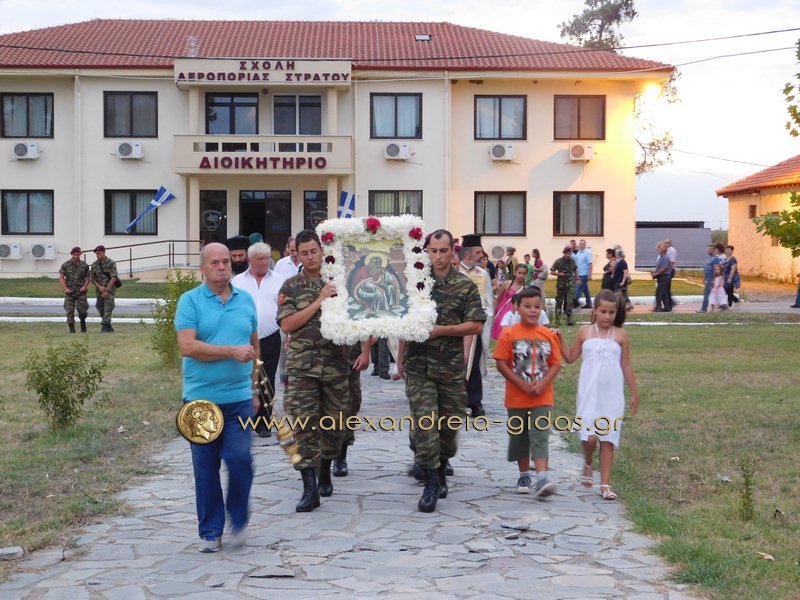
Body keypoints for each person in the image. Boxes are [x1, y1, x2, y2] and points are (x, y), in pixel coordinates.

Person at [175, 242, 259, 553]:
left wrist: (255, 389)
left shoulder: (245, 300)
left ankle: (238, 518)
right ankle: (211, 531)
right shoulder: (190, 301)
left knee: (239, 459)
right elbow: (188, 347)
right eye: (215, 263)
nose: (223, 267)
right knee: (206, 468)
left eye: (226, 262)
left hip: (238, 397)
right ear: (203, 268)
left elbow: (254, 346)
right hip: (201, 400)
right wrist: (230, 351)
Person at [397, 229, 486, 513]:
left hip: (450, 367)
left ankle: (442, 464)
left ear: (452, 252)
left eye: (443, 251)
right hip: (419, 366)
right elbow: (401, 320)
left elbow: (476, 325)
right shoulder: (416, 284)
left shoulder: (464, 286)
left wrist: (442, 331)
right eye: (433, 251)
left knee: (449, 427)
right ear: (427, 252)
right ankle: (431, 481)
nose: (437, 256)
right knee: (425, 422)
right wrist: (400, 357)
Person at [276, 229, 353, 512]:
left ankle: (325, 467)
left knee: (335, 424)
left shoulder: (340, 281)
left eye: (314, 251)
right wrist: (319, 300)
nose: (310, 257)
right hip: (302, 367)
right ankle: (309, 487)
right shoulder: (291, 286)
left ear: (322, 251)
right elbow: (288, 324)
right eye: (304, 253)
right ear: (296, 255)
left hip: (335, 365)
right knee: (303, 425)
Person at [556, 289, 639, 501]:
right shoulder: (584, 331)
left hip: (611, 394)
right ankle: (588, 461)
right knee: (590, 437)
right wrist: (559, 339)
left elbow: (626, 365)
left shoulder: (621, 335)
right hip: (589, 391)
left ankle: (605, 484)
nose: (607, 316)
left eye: (612, 312)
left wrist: (634, 393)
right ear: (594, 310)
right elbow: (570, 357)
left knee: (607, 438)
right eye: (603, 311)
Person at [493, 287, 561, 496]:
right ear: (517, 308)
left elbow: (555, 364)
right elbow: (501, 363)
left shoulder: (547, 335)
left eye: (537, 307)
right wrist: (521, 384)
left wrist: (542, 384)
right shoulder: (509, 334)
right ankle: (524, 474)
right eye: (527, 306)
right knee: (519, 436)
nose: (533, 310)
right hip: (517, 397)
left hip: (542, 396)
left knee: (540, 434)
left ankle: (541, 477)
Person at [231, 241, 287, 438]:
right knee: (243, 377)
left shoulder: (279, 280)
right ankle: (243, 419)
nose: (265, 262)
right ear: (250, 260)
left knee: (267, 378)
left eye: (267, 258)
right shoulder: (237, 281)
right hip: (243, 337)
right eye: (261, 259)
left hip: (270, 336)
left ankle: (264, 422)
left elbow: (285, 307)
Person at [458, 234, 494, 418]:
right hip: (456, 326)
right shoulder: (455, 271)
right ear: (468, 253)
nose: (482, 255)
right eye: (478, 252)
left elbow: (488, 300)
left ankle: (475, 401)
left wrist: (483, 319)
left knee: (474, 362)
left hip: (476, 325)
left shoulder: (483, 274)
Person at [492, 264, 528, 340]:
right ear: (515, 272)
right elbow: (498, 300)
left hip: (517, 316)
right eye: (519, 273)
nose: (521, 275)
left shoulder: (526, 289)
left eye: (524, 273)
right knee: (502, 339)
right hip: (503, 315)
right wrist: (494, 315)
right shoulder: (506, 284)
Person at [59, 246, 90, 333]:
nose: (76, 256)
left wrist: (85, 286)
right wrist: (65, 288)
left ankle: (83, 325)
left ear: (80, 254)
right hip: (70, 292)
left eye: (78, 255)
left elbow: (88, 277)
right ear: (71, 254)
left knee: (83, 310)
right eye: (74, 255)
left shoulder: (84, 265)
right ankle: (71, 329)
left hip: (81, 292)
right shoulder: (66, 265)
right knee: (69, 311)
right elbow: (61, 277)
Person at [90, 245, 118, 333]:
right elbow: (93, 279)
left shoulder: (111, 263)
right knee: (99, 306)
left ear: (103, 252)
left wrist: (107, 290)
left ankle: (105, 326)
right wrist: (99, 287)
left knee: (108, 307)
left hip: (109, 289)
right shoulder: (94, 265)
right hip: (100, 289)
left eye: (99, 253)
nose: (97, 255)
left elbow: (114, 277)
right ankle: (108, 325)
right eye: (96, 253)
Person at [550, 246, 578, 326]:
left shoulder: (572, 261)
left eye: (569, 253)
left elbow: (575, 269)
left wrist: (576, 279)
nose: (568, 255)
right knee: (559, 301)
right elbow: (552, 271)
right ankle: (557, 318)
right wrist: (559, 274)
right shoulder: (558, 261)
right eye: (567, 253)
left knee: (570, 301)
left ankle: (569, 318)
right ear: (564, 253)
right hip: (561, 285)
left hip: (570, 284)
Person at [697, 244, 721, 313]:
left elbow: (716, 270)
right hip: (707, 278)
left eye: (710, 249)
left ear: (714, 250)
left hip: (711, 279)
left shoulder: (715, 259)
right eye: (708, 249)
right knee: (711, 294)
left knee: (707, 294)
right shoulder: (709, 258)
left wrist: (713, 280)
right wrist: (704, 278)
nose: (708, 251)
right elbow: (707, 269)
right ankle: (723, 306)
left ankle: (703, 309)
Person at [652, 242, 673, 312]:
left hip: (664, 277)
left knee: (659, 292)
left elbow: (664, 268)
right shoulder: (661, 257)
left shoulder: (666, 258)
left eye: (658, 248)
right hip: (661, 277)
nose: (657, 250)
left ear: (662, 249)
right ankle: (667, 307)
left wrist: (656, 274)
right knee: (664, 293)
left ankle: (659, 306)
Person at [574, 239, 593, 309]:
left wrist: (590, 274)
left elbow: (590, 264)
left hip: (584, 274)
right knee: (585, 289)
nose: (581, 245)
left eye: (583, 244)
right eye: (580, 244)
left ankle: (574, 303)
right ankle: (589, 303)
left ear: (585, 245)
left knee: (578, 289)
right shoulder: (578, 253)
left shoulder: (587, 253)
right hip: (579, 274)